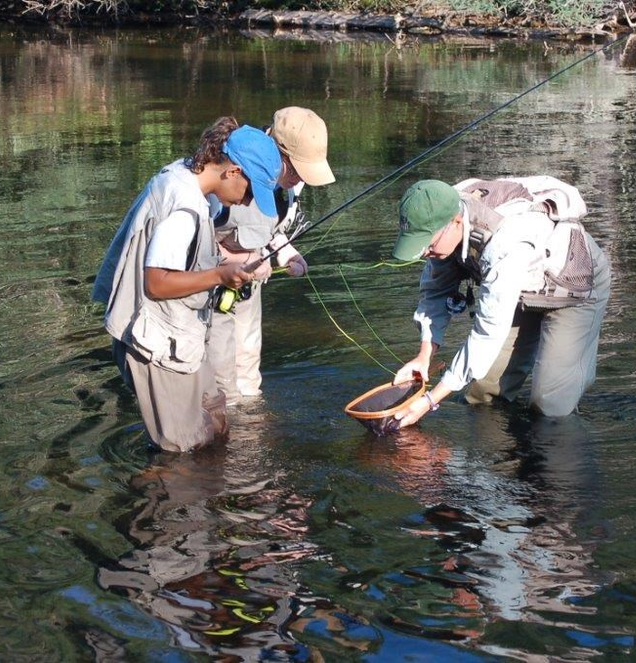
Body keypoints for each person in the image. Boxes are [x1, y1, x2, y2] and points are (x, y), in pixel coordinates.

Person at [91, 117, 283, 452]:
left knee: (216, 426)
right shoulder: (184, 207)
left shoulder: (187, 174)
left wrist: (227, 263)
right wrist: (220, 275)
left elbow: (180, 259)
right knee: (184, 457)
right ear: (233, 171)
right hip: (154, 345)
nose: (249, 202)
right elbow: (156, 282)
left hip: (181, 337)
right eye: (251, 191)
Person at [389, 177, 611, 428]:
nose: (425, 254)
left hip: (574, 286)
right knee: (482, 393)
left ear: (456, 222)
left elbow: (487, 334)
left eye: (428, 246)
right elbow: (435, 293)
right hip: (521, 287)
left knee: (550, 406)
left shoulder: (505, 243)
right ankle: (491, 462)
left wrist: (430, 400)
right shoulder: (442, 212)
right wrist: (424, 356)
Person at [207, 107, 335, 401]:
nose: (300, 178)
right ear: (279, 153)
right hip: (209, 289)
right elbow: (193, 245)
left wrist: (285, 253)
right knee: (219, 373)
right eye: (297, 169)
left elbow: (271, 228)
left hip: (247, 288)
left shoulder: (289, 186)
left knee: (248, 367)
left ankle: (249, 418)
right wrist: (236, 261)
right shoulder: (229, 172)